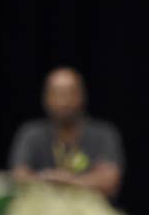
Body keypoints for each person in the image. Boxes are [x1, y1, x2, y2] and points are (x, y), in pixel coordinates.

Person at [8, 66, 125, 202]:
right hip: (42, 210)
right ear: (46, 98)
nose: (63, 100)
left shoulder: (103, 133)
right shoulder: (31, 133)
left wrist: (65, 181)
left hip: (91, 212)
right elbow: (18, 177)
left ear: (81, 96)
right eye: (56, 93)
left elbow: (109, 183)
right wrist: (83, 181)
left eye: (69, 92)